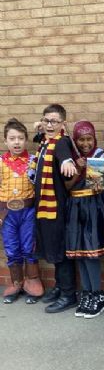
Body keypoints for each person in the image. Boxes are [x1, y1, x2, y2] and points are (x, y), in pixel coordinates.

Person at [31, 104, 78, 313]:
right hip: (44, 207)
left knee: (60, 250)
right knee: (52, 248)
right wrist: (38, 128)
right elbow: (40, 136)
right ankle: (59, 287)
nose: (50, 125)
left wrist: (67, 161)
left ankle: (69, 294)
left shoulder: (61, 142)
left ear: (63, 124)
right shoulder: (45, 142)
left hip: (57, 208)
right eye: (46, 121)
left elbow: (64, 153)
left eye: (54, 122)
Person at [65, 121, 104, 319]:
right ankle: (87, 293)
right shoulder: (70, 159)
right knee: (79, 254)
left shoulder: (99, 155)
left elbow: (97, 187)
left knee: (91, 253)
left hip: (93, 207)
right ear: (75, 140)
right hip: (74, 207)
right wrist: (77, 167)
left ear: (94, 139)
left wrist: (92, 168)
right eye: (81, 140)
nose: (85, 144)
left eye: (89, 139)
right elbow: (67, 186)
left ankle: (98, 294)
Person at [0, 118, 44, 304]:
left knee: (29, 246)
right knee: (11, 247)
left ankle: (32, 281)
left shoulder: (33, 161)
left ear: (26, 140)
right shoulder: (0, 162)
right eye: (12, 139)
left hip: (28, 212)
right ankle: (16, 282)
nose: (16, 142)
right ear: (5, 141)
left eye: (20, 138)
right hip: (6, 214)